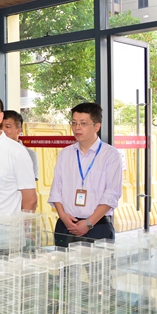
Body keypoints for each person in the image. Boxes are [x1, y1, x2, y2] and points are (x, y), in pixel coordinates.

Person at [49, 102, 122, 246]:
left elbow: (111, 194)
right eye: (74, 123)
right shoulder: (66, 154)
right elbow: (56, 190)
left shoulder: (111, 155)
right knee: (64, 262)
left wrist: (88, 223)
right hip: (66, 225)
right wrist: (63, 216)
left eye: (83, 123)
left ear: (97, 126)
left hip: (97, 226)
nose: (77, 128)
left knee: (98, 262)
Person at [1, 110, 39, 180]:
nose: (2, 130)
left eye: (7, 127)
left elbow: (29, 182)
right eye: (0, 126)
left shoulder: (29, 154)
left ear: (18, 130)